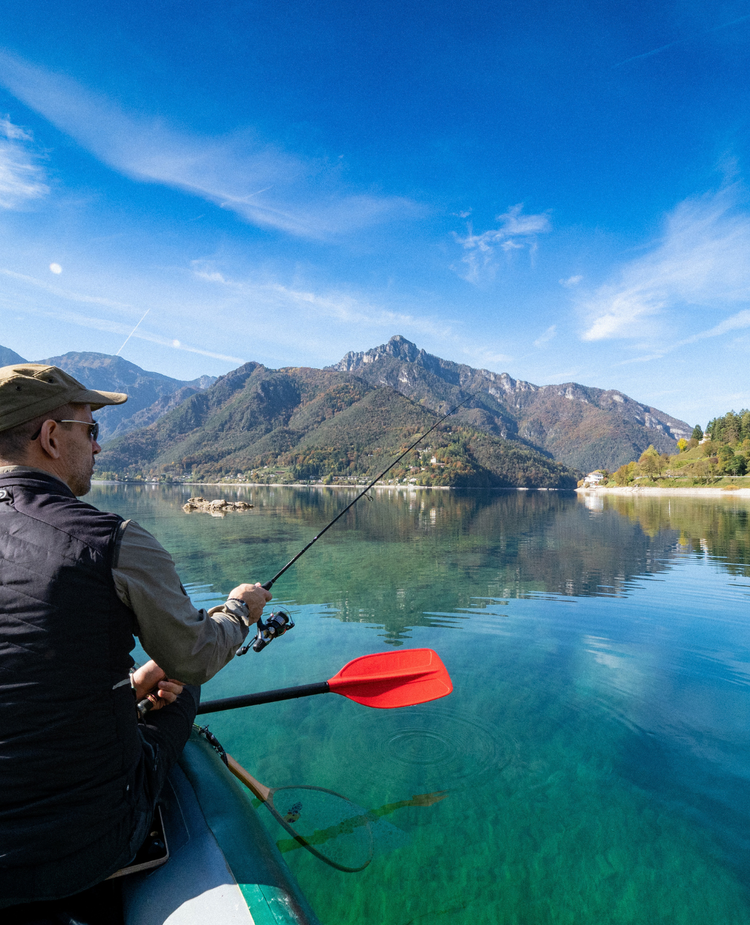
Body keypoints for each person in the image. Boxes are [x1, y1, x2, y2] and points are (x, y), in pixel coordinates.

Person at [0, 363, 272, 908]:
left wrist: (131, 682)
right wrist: (239, 610)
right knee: (185, 685)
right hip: (79, 847)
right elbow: (196, 655)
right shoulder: (110, 540)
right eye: (91, 430)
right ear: (51, 437)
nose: (98, 449)